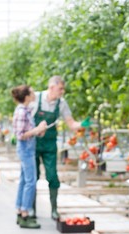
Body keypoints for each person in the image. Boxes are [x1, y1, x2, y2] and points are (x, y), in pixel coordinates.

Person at [31, 75, 89, 220]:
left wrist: (81, 125)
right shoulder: (36, 98)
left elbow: (70, 123)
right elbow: (25, 118)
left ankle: (54, 210)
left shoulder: (61, 103)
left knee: (52, 176)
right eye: (60, 88)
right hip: (33, 143)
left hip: (50, 144)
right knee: (33, 176)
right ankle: (30, 209)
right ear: (51, 87)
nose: (62, 91)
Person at [11, 85, 47, 229]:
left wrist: (40, 130)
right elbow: (20, 135)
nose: (34, 94)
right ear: (26, 96)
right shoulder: (21, 112)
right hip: (26, 150)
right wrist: (37, 129)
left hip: (28, 149)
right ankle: (25, 213)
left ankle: (20, 211)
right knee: (31, 181)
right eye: (32, 93)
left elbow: (28, 131)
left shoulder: (26, 111)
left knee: (24, 180)